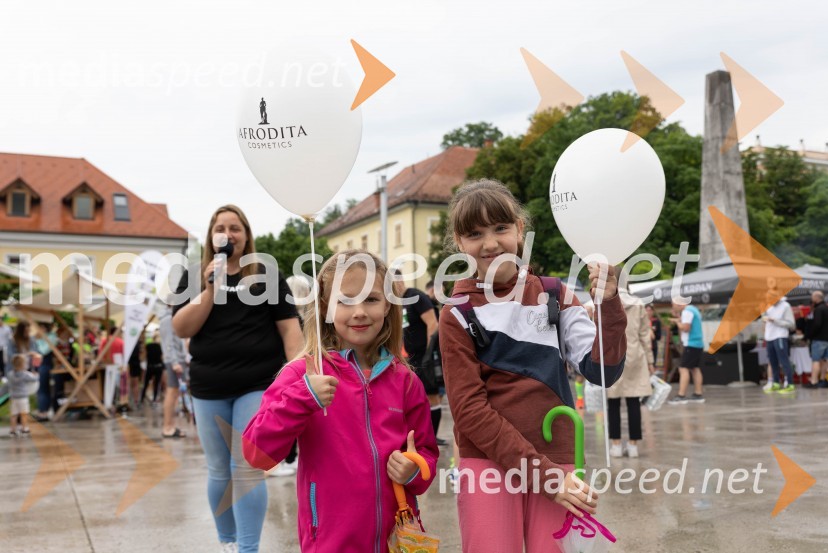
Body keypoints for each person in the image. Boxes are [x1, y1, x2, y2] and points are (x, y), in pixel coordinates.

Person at [438, 179, 626, 552]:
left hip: (559, 458)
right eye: (474, 234)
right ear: (459, 242)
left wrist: (609, 304)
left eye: (500, 228)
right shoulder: (457, 313)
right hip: (488, 462)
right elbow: (469, 412)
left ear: (520, 229)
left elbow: (602, 371)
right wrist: (544, 476)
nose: (490, 244)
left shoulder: (555, 294)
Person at [242, 249, 438, 553]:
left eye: (371, 299)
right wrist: (302, 398)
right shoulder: (303, 374)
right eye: (345, 300)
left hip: (397, 541)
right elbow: (257, 454)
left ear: (388, 304)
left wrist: (414, 469)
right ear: (325, 307)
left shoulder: (406, 380)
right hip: (331, 542)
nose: (359, 311)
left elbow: (426, 453)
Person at [172, 204, 302, 553]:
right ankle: (227, 542)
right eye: (220, 228)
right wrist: (210, 290)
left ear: (246, 236)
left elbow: (290, 331)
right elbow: (181, 327)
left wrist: (296, 376)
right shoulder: (194, 275)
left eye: (235, 228)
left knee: (246, 466)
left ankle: (248, 548)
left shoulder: (266, 274)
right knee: (218, 469)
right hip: (209, 386)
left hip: (257, 383)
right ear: (211, 236)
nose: (227, 235)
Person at [266, 275, 312, 477]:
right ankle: (286, 459)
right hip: (289, 370)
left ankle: (286, 459)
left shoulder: (285, 317)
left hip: (281, 369)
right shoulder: (299, 319)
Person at [607, 268, 653, 458]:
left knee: (613, 402)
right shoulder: (639, 303)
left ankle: (616, 444)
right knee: (634, 401)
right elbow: (645, 335)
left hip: (612, 355)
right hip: (635, 355)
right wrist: (650, 361)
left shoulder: (604, 302)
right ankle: (633, 445)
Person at [395, 270, 443, 445]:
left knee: (431, 396)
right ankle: (418, 437)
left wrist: (429, 353)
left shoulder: (415, 296)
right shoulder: (397, 302)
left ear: (401, 281)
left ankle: (432, 438)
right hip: (408, 357)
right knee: (412, 398)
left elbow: (433, 324)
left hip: (425, 356)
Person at [667, 298, 705, 404]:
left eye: (673, 304)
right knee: (695, 368)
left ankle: (681, 395)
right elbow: (686, 323)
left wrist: (678, 323)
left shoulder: (687, 311)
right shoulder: (692, 309)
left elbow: (686, 328)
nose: (672, 307)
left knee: (683, 368)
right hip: (697, 344)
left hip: (691, 344)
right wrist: (678, 319)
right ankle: (698, 394)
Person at [159, 307, 188, 438]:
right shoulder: (167, 319)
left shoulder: (173, 317)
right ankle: (167, 427)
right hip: (174, 362)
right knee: (172, 392)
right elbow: (168, 343)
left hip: (178, 360)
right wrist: (175, 362)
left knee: (174, 393)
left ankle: (170, 425)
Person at [761, 293, 796, 393]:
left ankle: (790, 384)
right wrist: (764, 317)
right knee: (772, 361)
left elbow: (791, 324)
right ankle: (776, 383)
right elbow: (764, 317)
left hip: (780, 336)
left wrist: (775, 320)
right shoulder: (767, 306)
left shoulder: (785, 306)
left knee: (784, 360)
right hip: (769, 337)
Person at [8, 354, 38, 436]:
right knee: (24, 414)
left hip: (13, 397)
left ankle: (13, 430)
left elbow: (9, 384)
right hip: (23, 397)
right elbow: (34, 379)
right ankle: (24, 429)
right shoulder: (25, 374)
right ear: (23, 364)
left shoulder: (10, 374)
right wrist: (36, 374)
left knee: (13, 414)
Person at [805, 291, 828, 388]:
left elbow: (817, 324)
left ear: (816, 298)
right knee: (826, 359)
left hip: (819, 339)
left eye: (812, 297)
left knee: (816, 360)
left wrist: (809, 335)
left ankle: (814, 381)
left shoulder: (818, 309)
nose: (811, 299)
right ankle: (823, 380)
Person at [141, 332, 165, 403]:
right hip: (158, 367)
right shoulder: (160, 346)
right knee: (156, 384)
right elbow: (162, 358)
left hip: (150, 367)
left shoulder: (148, 346)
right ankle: (154, 398)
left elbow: (143, 357)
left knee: (146, 383)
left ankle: (142, 398)